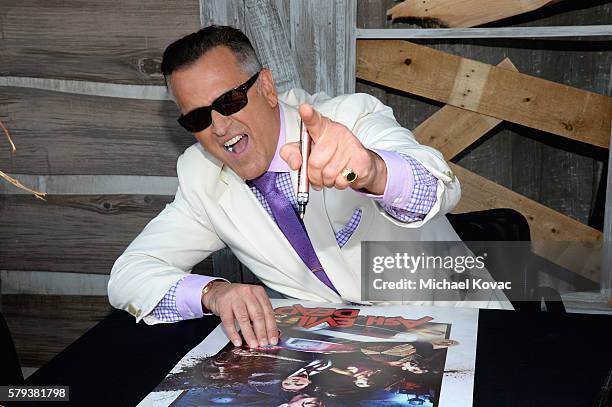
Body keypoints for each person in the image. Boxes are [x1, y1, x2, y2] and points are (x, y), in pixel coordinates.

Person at [108, 25, 507, 350]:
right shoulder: (200, 175)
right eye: (197, 117)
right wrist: (212, 292)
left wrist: (374, 172)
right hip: (346, 356)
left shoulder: (349, 117)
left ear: (265, 87)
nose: (219, 127)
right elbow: (128, 275)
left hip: (465, 328)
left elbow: (440, 187)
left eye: (229, 101)